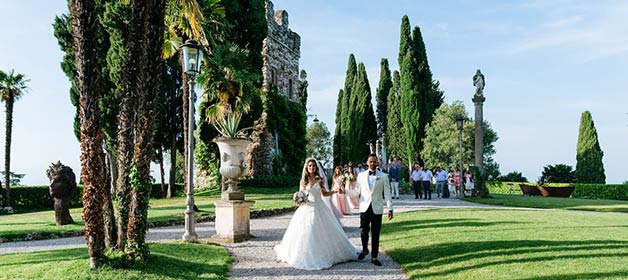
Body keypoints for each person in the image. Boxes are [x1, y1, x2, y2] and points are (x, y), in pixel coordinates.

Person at [274, 158, 358, 270]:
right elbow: (301, 195)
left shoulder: (320, 179)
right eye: (310, 166)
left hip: (320, 207)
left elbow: (325, 194)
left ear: (316, 167)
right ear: (307, 168)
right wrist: (298, 199)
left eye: (313, 166)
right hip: (307, 208)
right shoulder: (303, 181)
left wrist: (335, 191)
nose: (312, 168)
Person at [346, 153, 394, 266]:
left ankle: (374, 257)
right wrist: (345, 191)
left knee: (376, 233)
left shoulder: (383, 176)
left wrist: (390, 208)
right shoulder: (361, 176)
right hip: (364, 207)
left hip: (377, 208)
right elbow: (356, 192)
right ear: (367, 163)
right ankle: (364, 249)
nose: (372, 163)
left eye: (374, 161)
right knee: (363, 231)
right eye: (370, 161)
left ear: (377, 163)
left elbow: (387, 194)